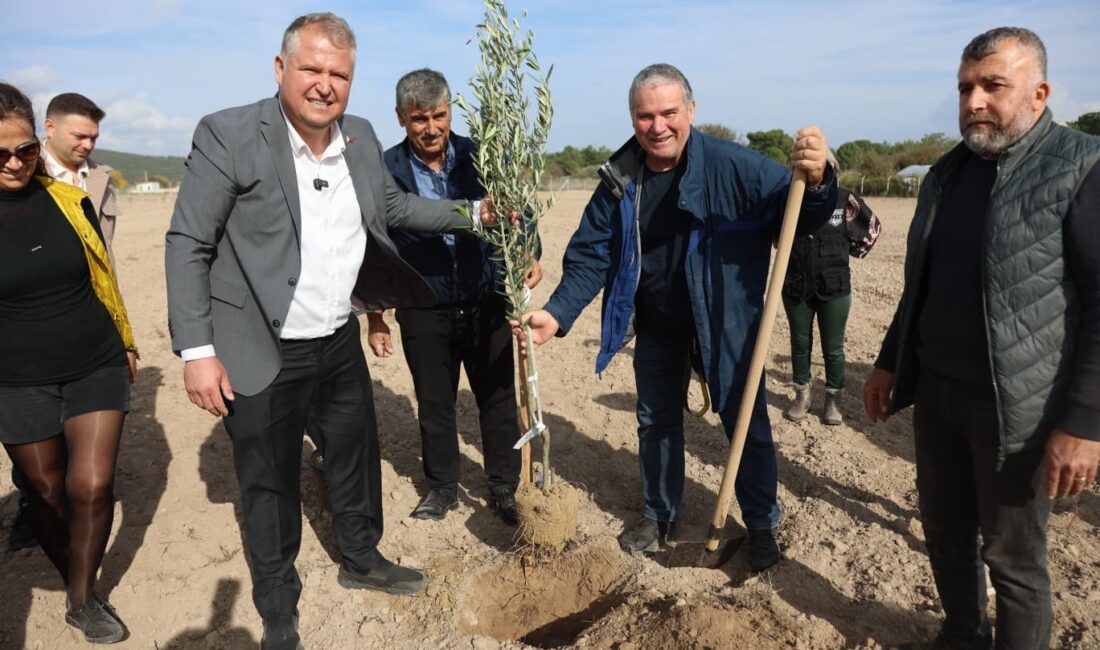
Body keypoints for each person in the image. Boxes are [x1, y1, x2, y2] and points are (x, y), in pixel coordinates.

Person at [164, 14, 494, 650]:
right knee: (268, 477)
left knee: (353, 455)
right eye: (312, 69)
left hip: (337, 338)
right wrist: (199, 351)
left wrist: (472, 212)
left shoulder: (362, 136)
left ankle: (363, 558)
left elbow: (392, 209)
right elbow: (188, 242)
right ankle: (277, 598)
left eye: (338, 73)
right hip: (256, 341)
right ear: (281, 68)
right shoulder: (230, 133)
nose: (324, 84)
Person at [518, 63, 835, 572]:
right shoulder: (620, 179)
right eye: (645, 116)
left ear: (691, 110)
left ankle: (760, 522)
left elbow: (803, 209)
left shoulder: (735, 166)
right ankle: (658, 515)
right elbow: (590, 255)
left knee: (743, 420)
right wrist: (557, 313)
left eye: (669, 112)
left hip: (726, 320)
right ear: (632, 119)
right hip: (659, 323)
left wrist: (819, 179)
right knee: (655, 421)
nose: (658, 126)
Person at [863, 27, 1100, 649]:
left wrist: (1085, 422)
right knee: (944, 532)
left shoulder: (1081, 167)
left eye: (994, 86)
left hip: (1020, 408)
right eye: (966, 87)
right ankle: (963, 634)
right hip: (939, 393)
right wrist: (891, 363)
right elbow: (922, 285)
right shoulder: (947, 173)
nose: (974, 101)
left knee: (1014, 561)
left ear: (1039, 92)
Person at [366, 68, 539, 524]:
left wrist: (529, 251)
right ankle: (442, 487)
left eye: (438, 115)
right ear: (401, 118)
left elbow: (520, 208)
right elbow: (373, 244)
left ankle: (504, 487)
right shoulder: (384, 169)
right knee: (435, 403)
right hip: (423, 307)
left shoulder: (482, 156)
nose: (431, 128)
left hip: (486, 303)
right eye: (419, 118)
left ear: (450, 111)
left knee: (498, 400)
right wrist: (376, 316)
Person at [0, 82, 139, 644]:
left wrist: (126, 341)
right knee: (47, 494)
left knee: (93, 486)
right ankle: (68, 570)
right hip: (15, 378)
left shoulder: (68, 200)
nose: (14, 162)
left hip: (93, 359)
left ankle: (82, 599)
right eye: (0, 153)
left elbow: (102, 278)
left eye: (25, 149)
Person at [782, 154, 880, 425]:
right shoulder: (787, 199)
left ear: (829, 169)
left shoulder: (844, 200)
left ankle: (833, 401)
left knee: (833, 348)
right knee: (799, 345)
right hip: (796, 286)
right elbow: (772, 234)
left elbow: (872, 229)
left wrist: (844, 250)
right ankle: (802, 396)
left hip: (834, 288)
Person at [43, 93, 121, 254]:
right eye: (80, 136)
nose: (88, 145)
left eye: (93, 138)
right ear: (50, 128)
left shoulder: (103, 177)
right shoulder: (24, 174)